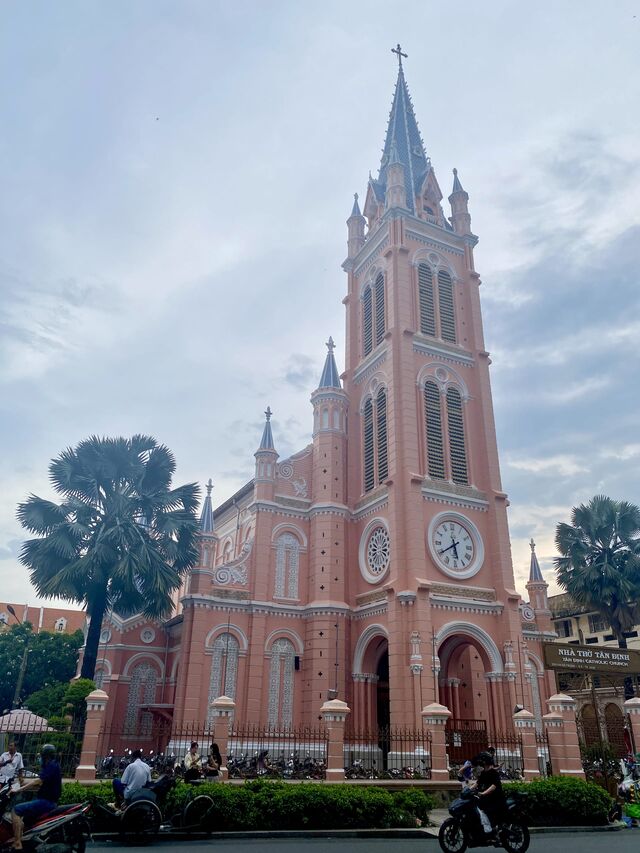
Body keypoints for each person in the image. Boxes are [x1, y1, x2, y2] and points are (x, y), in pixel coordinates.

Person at [11, 744, 62, 851]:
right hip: (46, 800)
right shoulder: (51, 766)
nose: (39, 758)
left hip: (46, 802)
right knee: (25, 820)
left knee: (16, 810)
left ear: (45, 756)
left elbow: (38, 781)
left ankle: (17, 844)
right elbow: (39, 783)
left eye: (41, 756)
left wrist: (19, 790)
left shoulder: (51, 766)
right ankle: (23, 840)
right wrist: (23, 783)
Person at [475, 751, 505, 839]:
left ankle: (490, 830)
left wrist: (483, 793)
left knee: (483, 810)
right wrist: (468, 790)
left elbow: (493, 786)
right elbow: (477, 783)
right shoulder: (484, 773)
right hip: (487, 798)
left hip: (496, 799)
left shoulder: (493, 773)